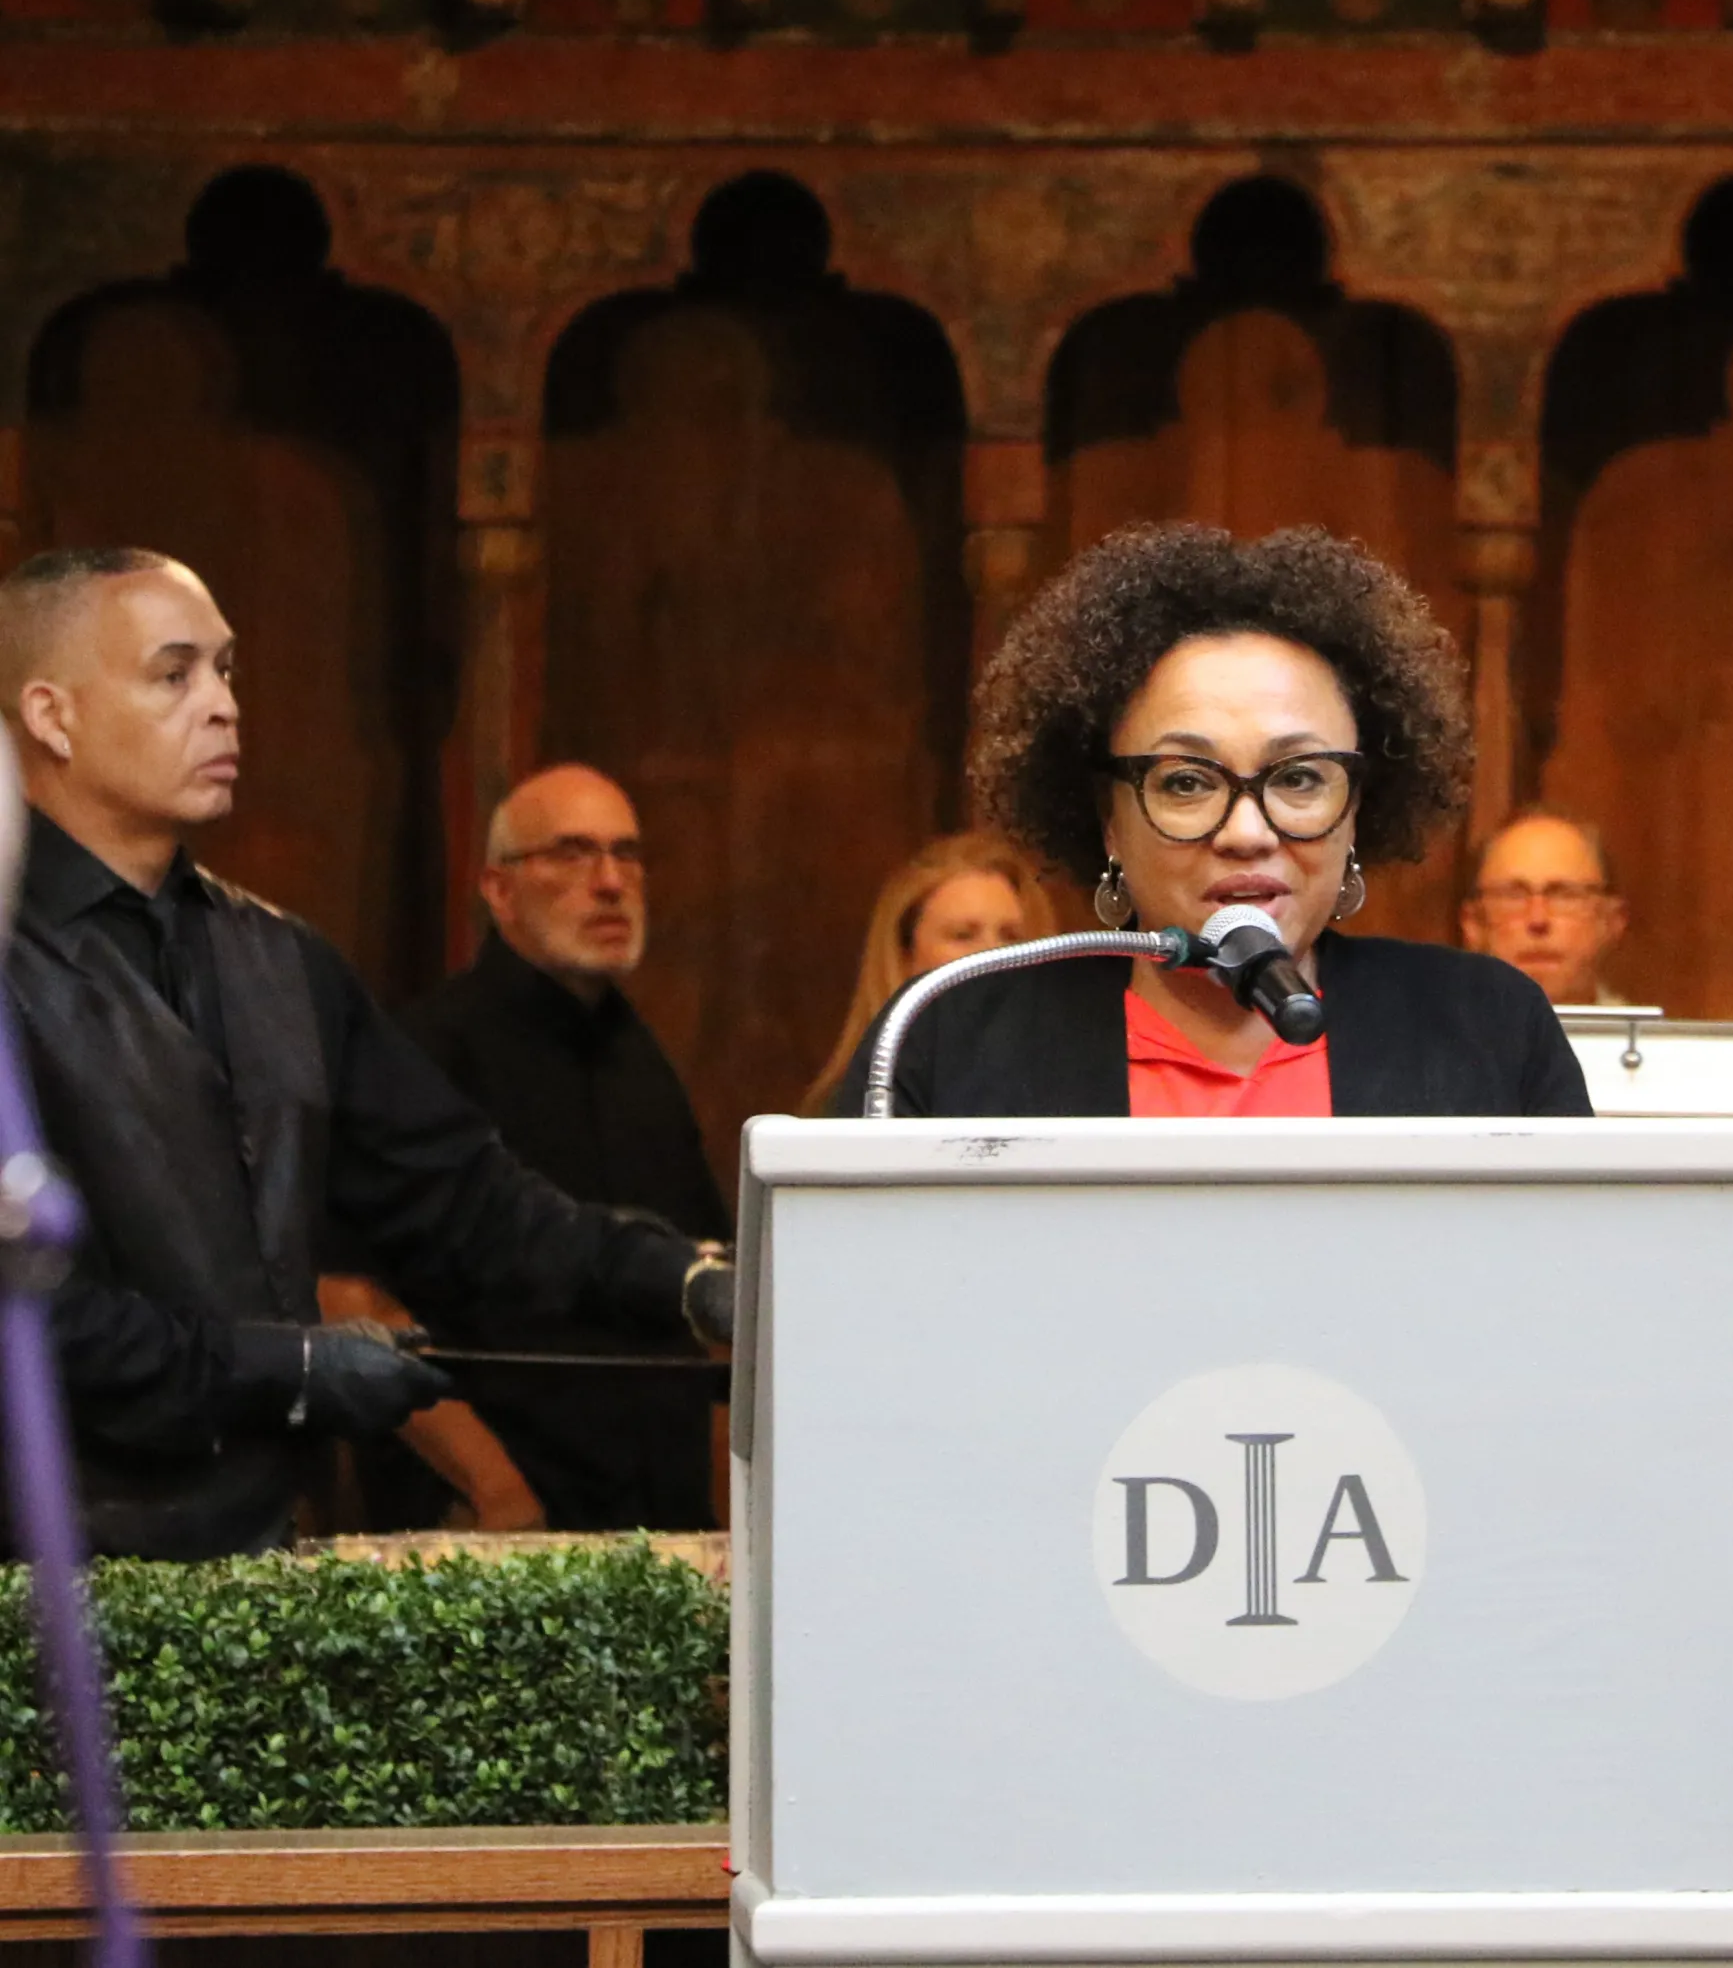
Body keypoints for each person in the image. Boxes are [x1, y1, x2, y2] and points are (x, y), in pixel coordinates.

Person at [0, 547, 731, 1559]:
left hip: (261, 1564)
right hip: (43, 1577)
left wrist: (681, 1277)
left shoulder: (282, 958)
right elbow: (31, 1318)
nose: (221, 706)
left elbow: (470, 1203)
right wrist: (290, 1369)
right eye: (174, 674)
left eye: (226, 670)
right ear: (51, 715)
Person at [836, 523, 1590, 1120]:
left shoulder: (1487, 1026)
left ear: (1357, 807)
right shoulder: (947, 1038)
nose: (1247, 831)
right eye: (1189, 782)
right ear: (1107, 818)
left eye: (1298, 778)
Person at [353, 763, 731, 1533]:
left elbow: (705, 1299)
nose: (610, 881)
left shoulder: (645, 1061)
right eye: (571, 853)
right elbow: (347, 1297)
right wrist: (494, 1488)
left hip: (663, 1527)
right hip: (494, 1534)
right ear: (498, 889)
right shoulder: (427, 1050)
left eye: (627, 854)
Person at [800, 831, 1057, 1117]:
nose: (992, 954)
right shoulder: (862, 1101)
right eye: (963, 935)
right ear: (905, 955)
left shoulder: (1062, 1084)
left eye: (1011, 937)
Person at [1459, 806, 1630, 1007]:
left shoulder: (1651, 1039)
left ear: (1612, 920)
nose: (1537, 919)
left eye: (1564, 895)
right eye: (1513, 895)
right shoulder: (1426, 1038)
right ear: (1472, 924)